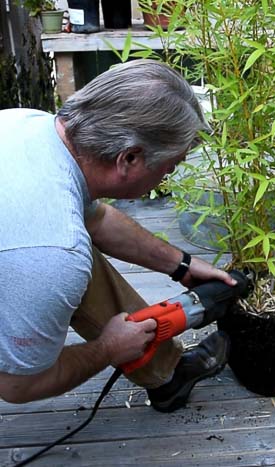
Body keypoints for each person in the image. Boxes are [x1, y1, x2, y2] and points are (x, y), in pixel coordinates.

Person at [0, 59, 233, 412]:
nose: (167, 178)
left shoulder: (25, 125)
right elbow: (18, 384)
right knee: (64, 262)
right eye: (169, 167)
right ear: (130, 159)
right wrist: (108, 348)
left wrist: (183, 265)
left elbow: (94, 219)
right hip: (38, 262)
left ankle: (167, 375)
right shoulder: (54, 249)